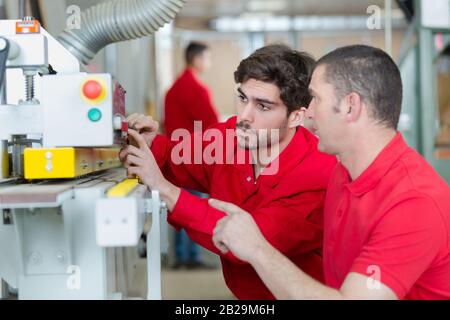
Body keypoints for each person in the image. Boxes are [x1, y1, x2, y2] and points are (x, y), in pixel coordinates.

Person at [209, 45, 450, 300]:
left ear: (350, 106)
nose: (308, 112)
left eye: (315, 98)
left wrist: (257, 248)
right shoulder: (342, 172)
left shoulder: (413, 202)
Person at [120, 44, 337, 299]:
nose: (244, 116)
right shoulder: (230, 137)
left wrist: (165, 190)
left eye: (263, 106)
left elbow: (247, 242)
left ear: (296, 117)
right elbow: (174, 156)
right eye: (243, 98)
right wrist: (149, 142)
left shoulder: (319, 174)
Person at [164, 41, 219, 269]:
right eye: (206, 58)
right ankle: (192, 257)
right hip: (195, 157)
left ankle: (180, 256)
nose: (209, 63)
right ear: (196, 59)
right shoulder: (196, 88)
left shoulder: (173, 89)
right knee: (195, 207)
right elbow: (212, 124)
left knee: (178, 203)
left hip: (176, 156)